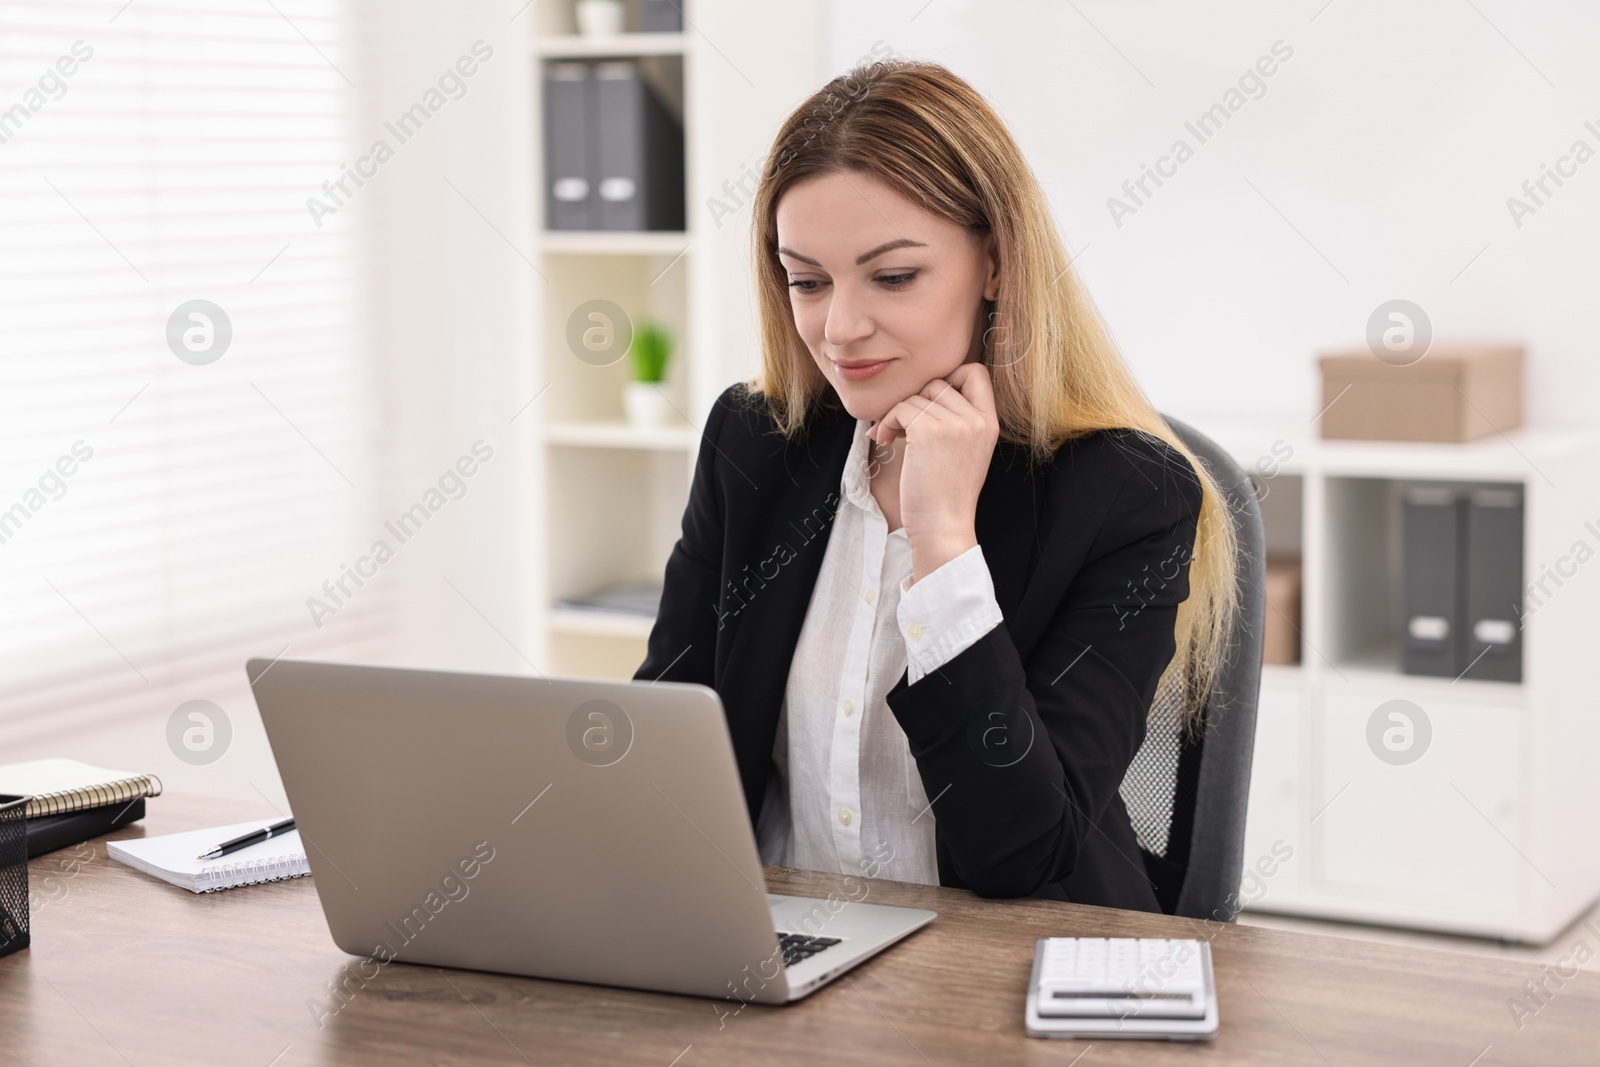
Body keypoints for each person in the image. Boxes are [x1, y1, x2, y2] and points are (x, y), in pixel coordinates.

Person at [634, 58, 1239, 913]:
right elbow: (669, 731)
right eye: (806, 281)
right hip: (771, 955)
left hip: (993, 977)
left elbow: (1023, 849)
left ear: (994, 263)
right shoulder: (754, 442)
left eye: (893, 277)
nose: (839, 328)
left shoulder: (1128, 497)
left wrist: (944, 544)